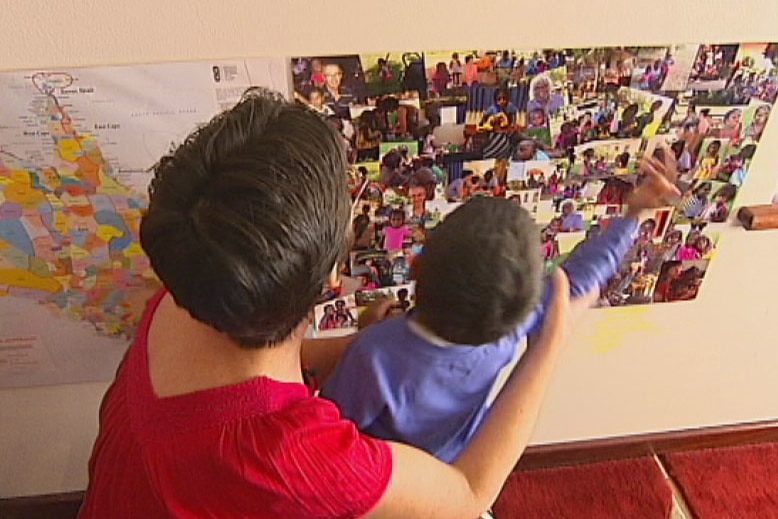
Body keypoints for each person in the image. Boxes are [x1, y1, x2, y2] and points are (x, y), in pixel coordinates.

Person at [77, 88, 591, 519]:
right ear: (328, 275)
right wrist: (547, 350)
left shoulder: (191, 283)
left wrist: (361, 345)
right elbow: (467, 494)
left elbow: (248, 379)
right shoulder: (297, 453)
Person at [321, 155, 680, 463]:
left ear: (415, 267)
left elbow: (327, 431)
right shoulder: (507, 329)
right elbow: (580, 279)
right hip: (453, 476)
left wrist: (367, 330)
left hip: (384, 494)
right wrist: (635, 213)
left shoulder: (373, 353)